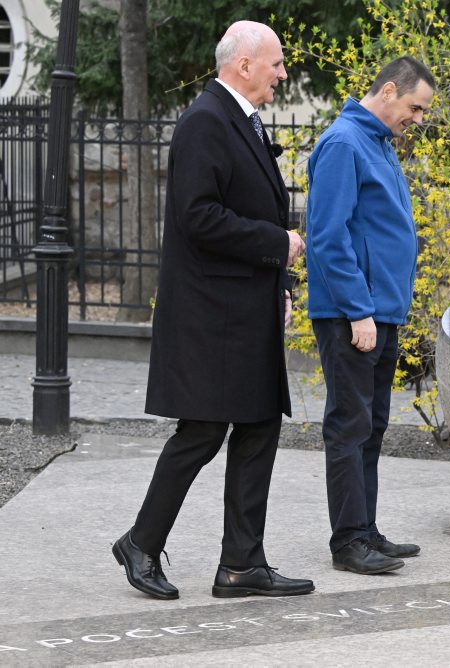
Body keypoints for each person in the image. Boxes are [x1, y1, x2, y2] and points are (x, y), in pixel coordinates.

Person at [112, 21, 313, 599]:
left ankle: (242, 565)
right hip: (213, 317)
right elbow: (198, 216)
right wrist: (277, 244)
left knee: (258, 425)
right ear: (243, 65)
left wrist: (279, 287)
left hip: (243, 309)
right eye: (276, 63)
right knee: (201, 431)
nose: (282, 74)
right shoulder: (205, 120)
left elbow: (246, 207)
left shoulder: (238, 119)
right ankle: (141, 544)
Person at [305, 57, 435, 575]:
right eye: (415, 108)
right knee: (349, 425)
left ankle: (366, 529)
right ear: (388, 91)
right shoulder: (343, 143)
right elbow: (327, 236)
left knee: (372, 424)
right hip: (352, 315)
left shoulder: (377, 142)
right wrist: (358, 310)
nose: (418, 119)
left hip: (380, 313)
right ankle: (348, 541)